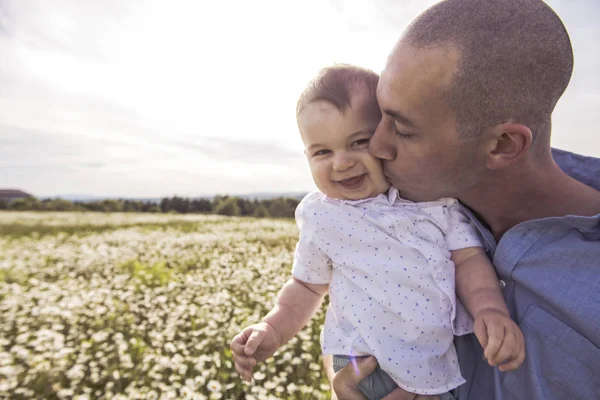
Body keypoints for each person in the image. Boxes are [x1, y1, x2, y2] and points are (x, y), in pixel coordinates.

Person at [329, 1, 600, 399]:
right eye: (379, 115)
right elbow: (347, 335)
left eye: (402, 130)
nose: (376, 145)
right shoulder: (394, 210)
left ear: (503, 145)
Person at [230, 65, 524, 400]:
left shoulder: (432, 202)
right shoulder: (323, 215)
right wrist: (271, 329)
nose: (341, 163)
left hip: (433, 367)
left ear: (387, 137)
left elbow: (469, 258)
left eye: (359, 142)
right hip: (359, 364)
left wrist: (489, 307)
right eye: (322, 151)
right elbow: (305, 287)